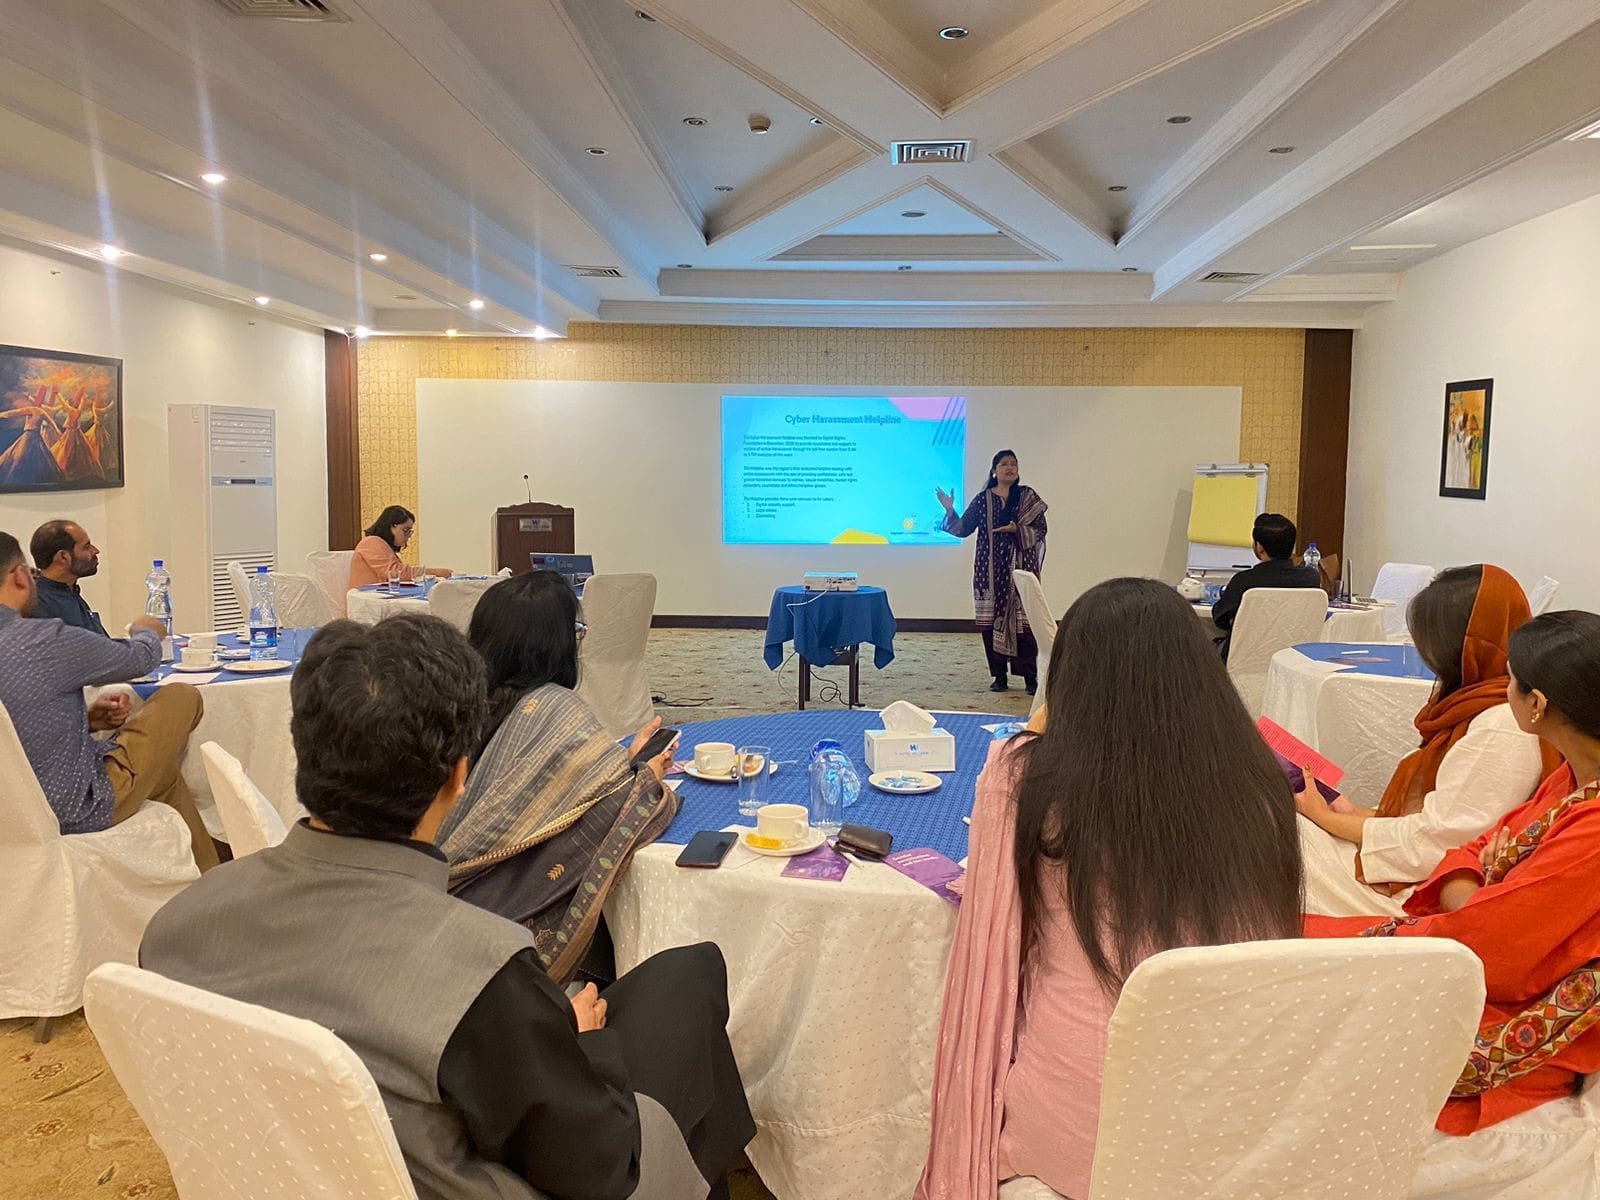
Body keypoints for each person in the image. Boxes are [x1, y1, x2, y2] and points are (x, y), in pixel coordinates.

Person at [140, 615, 755, 1200]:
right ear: (461, 775)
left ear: (304, 751)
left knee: (685, 975)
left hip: (278, 1172)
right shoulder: (482, 967)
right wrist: (583, 1046)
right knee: (694, 975)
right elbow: (600, 1168)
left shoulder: (176, 924)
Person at [917, 578, 1303, 1200]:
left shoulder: (1024, 774)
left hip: (1081, 1126)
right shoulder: (1258, 780)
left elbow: (993, 946)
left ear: (1070, 678)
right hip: (1231, 1116)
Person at [1307, 610, 1600, 1136]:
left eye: (1511, 680)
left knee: (1308, 987)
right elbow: (1478, 845)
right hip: (1486, 935)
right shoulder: (1575, 774)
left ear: (1536, 704)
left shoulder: (1588, 820)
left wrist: (1483, 884)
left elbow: (1495, 946)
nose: (1502, 690)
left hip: (1518, 993)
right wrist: (1484, 878)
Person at [439, 570, 679, 984]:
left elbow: (547, 790)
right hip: (503, 920)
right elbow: (617, 805)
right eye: (577, 633)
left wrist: (620, 761)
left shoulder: (454, 705)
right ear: (559, 645)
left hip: (434, 894)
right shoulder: (556, 709)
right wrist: (646, 773)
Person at [1297, 565, 1556, 917]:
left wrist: (1327, 819)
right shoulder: (1480, 704)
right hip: (1418, 862)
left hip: (1425, 889)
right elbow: (1445, 820)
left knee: (1283, 845)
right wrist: (1357, 815)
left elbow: (1437, 843)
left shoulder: (1502, 724)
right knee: (1285, 829)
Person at [0, 530, 216, 871]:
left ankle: (208, 879)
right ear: (20, 577)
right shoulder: (44, 640)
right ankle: (216, 883)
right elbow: (139, 660)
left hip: (13, 816)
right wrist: (147, 630)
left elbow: (12, 726)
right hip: (74, 807)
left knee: (163, 778)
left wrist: (84, 720)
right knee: (182, 696)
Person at [937, 449, 1048, 693]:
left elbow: (1040, 530)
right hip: (988, 573)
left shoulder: (1028, 497)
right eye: (1004, 464)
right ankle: (999, 676)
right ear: (994, 471)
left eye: (1013, 464)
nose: (1009, 468)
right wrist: (949, 510)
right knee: (989, 624)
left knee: (1025, 626)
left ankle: (1030, 679)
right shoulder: (982, 499)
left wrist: (1016, 530)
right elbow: (963, 529)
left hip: (1021, 572)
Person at [1209, 512, 1321, 660]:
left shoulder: (1244, 581)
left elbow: (1220, 618)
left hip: (1244, 660)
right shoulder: (1310, 578)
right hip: (1294, 659)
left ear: (1259, 547)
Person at [28, 519, 108, 634]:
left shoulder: (71, 592)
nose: (95, 551)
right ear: (63, 557)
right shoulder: (37, 605)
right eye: (86, 547)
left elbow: (100, 642)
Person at [348, 504, 453, 588]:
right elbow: (396, 573)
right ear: (391, 526)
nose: (408, 536)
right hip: (368, 599)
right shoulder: (371, 542)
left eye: (410, 531)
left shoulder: (383, 546)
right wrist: (435, 572)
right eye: (405, 530)